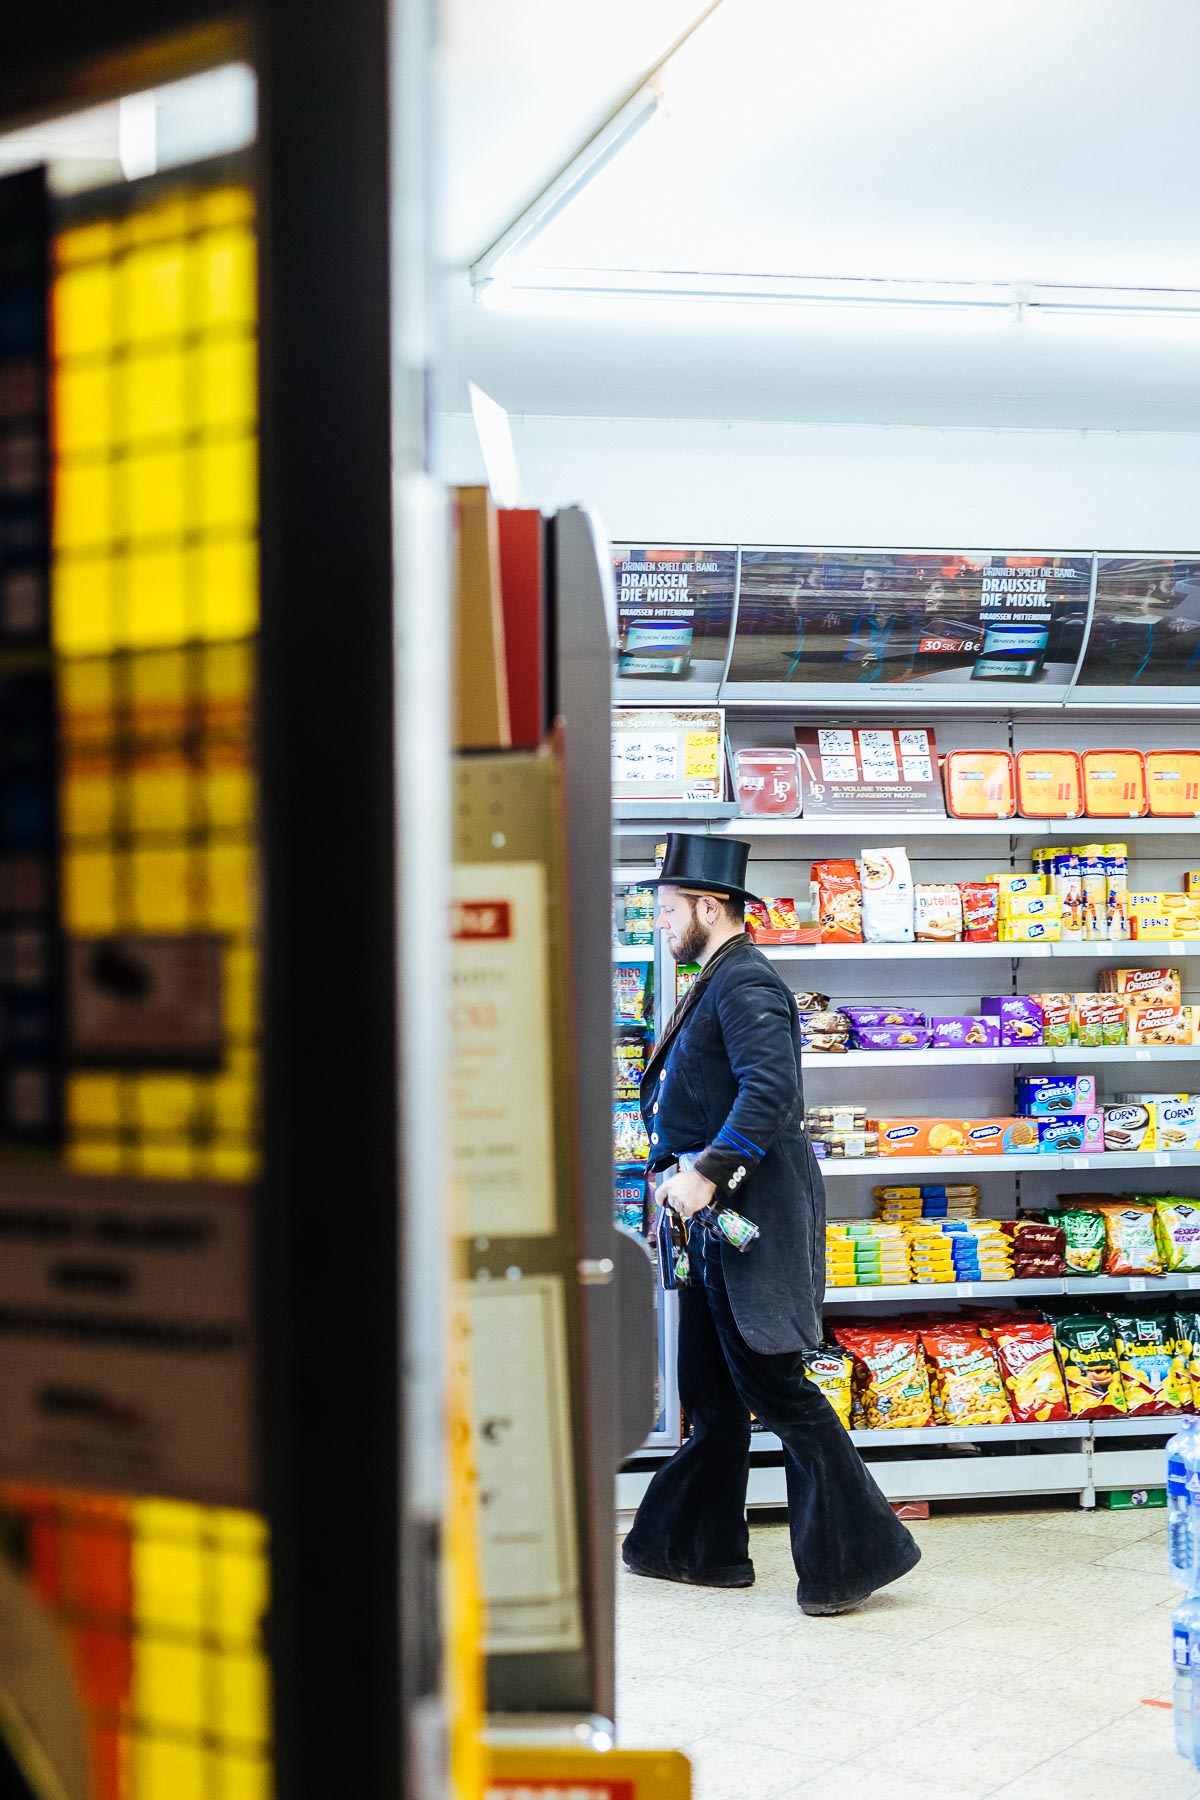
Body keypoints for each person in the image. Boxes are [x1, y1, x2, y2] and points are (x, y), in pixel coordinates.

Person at [622, 832, 920, 1615]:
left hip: (748, 1218)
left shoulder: (745, 981)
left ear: (707, 906)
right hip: (715, 1224)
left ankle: (858, 1556)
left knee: (777, 1391)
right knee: (714, 1397)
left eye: (666, 908)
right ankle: (699, 1550)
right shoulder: (714, 976)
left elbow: (772, 1091)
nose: (660, 922)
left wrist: (705, 1172)